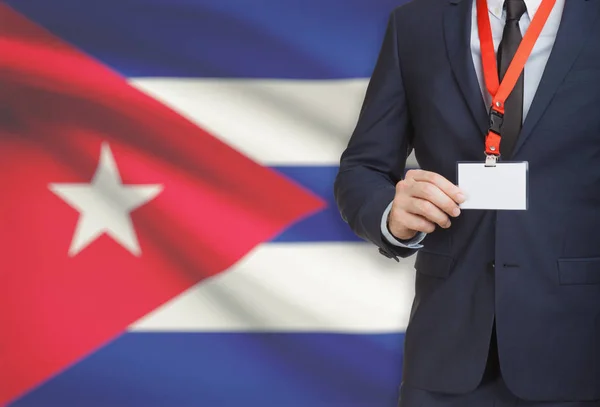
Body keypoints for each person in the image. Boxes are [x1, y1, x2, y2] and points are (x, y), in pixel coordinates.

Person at [334, 0, 600, 405]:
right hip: (445, 355)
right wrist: (390, 214)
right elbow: (362, 167)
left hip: (580, 351)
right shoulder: (415, 24)